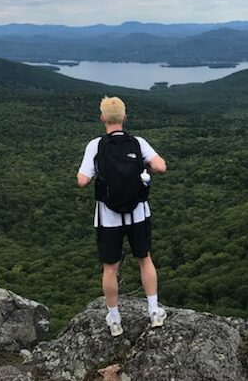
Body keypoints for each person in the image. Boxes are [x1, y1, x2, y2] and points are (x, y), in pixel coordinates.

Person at [77, 96, 168, 336]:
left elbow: (82, 180)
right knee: (144, 259)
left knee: (110, 267)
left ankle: (115, 319)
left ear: (102, 119)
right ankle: (154, 311)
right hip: (138, 212)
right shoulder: (137, 143)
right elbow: (161, 166)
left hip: (108, 216)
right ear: (125, 118)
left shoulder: (95, 145)